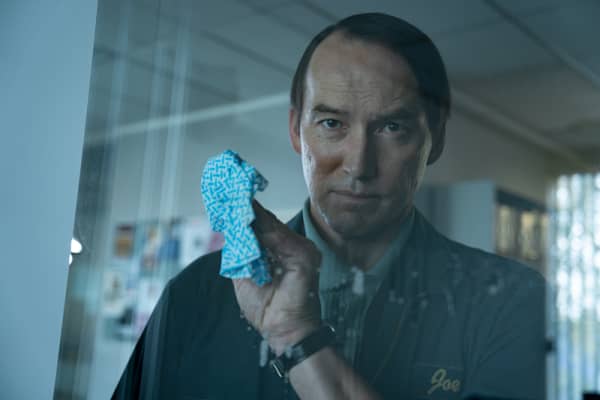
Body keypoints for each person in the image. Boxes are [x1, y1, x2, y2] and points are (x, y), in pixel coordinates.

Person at [112, 12, 546, 400]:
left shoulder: (508, 303)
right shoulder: (196, 294)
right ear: (296, 130)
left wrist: (295, 336)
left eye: (392, 127)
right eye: (332, 123)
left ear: (436, 140)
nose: (358, 165)